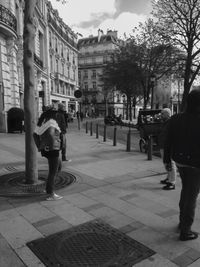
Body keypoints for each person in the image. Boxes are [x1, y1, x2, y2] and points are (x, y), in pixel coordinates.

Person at [164, 89, 200, 241]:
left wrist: (166, 160)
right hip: (195, 164)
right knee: (191, 196)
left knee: (186, 191)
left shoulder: (175, 118)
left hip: (179, 161)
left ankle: (181, 222)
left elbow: (168, 141)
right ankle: (186, 230)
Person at [33, 106, 63, 201]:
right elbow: (50, 134)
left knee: (58, 167)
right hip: (53, 149)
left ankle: (48, 188)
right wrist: (52, 145)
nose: (57, 114)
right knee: (53, 172)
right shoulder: (51, 122)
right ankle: (51, 193)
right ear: (51, 114)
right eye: (55, 113)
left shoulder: (44, 122)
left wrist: (40, 147)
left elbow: (35, 134)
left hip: (49, 149)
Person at [158, 108, 177, 190]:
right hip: (163, 145)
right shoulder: (165, 122)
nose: (161, 115)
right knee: (166, 163)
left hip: (168, 146)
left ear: (167, 114)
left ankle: (172, 182)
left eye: (162, 114)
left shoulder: (171, 122)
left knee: (171, 163)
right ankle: (168, 177)